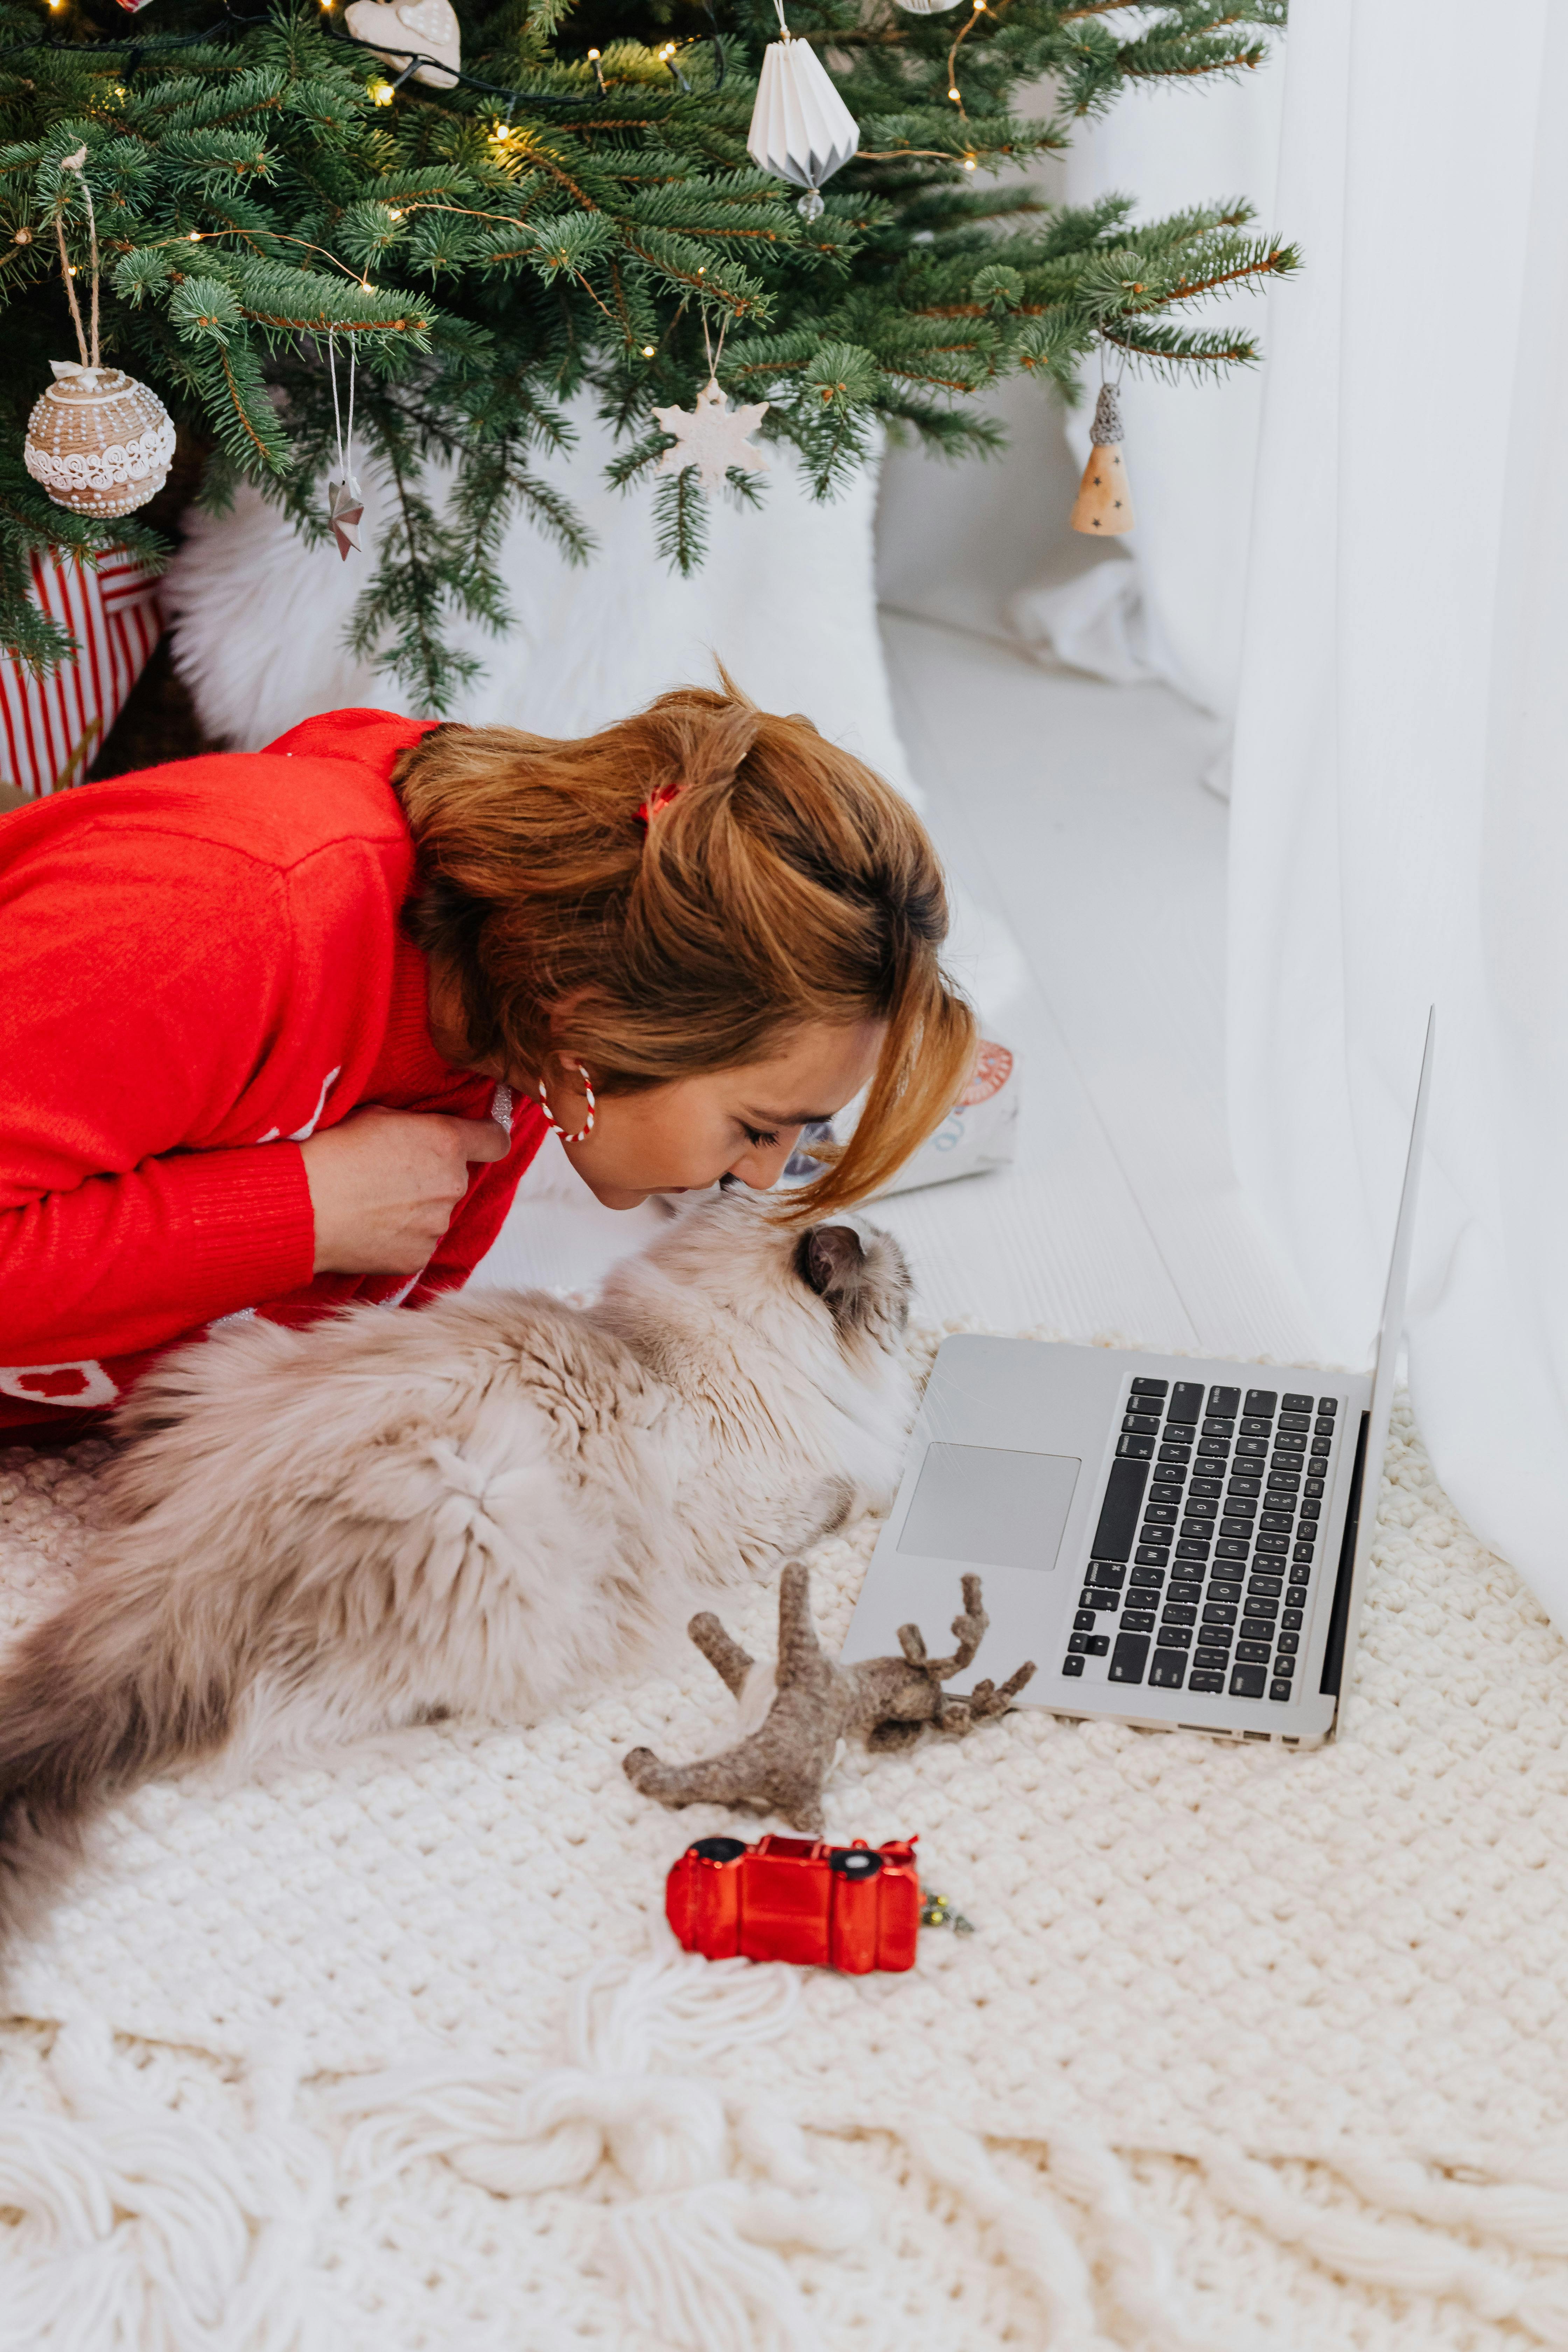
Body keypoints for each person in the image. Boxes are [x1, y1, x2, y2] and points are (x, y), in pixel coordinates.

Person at [0, 685, 975, 1439]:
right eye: (758, 1126)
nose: (764, 1173)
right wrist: (300, 1211)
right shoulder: (230, 914)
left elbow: (346, 1363)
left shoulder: (523, 1039)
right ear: (605, 1015)